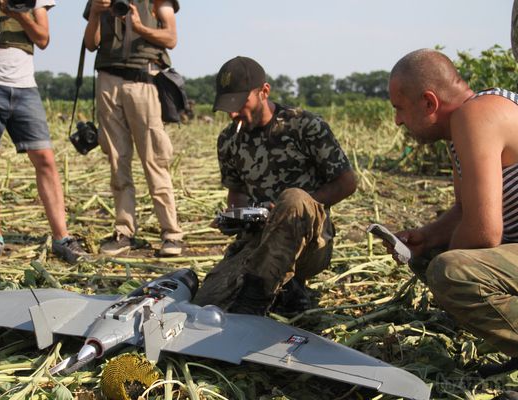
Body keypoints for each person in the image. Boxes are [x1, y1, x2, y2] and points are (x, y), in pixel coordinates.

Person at [386, 49, 518, 392]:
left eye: (400, 108)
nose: (398, 121)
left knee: (451, 271)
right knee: (432, 257)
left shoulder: (476, 116)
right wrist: (426, 238)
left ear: (429, 103)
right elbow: (465, 210)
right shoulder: (465, 127)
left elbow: (484, 232)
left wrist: (442, 276)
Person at [193, 56, 357, 315]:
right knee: (204, 305)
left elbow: (347, 182)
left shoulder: (304, 126)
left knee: (293, 200)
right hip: (258, 242)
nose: (233, 113)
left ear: (264, 92)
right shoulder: (229, 140)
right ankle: (284, 290)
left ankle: (255, 301)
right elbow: (236, 191)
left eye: (239, 104)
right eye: (227, 106)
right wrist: (238, 216)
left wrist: (288, 210)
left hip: (309, 244)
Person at [0, 0, 88, 264]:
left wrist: (17, 12)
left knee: (45, 158)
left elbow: (43, 38)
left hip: (24, 84)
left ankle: (63, 238)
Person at [83, 0, 183, 257]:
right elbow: (90, 43)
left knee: (154, 159)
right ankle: (124, 231)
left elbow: (170, 38)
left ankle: (171, 233)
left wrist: (139, 26)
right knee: (117, 160)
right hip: (108, 79)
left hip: (144, 78)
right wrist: (95, 12)